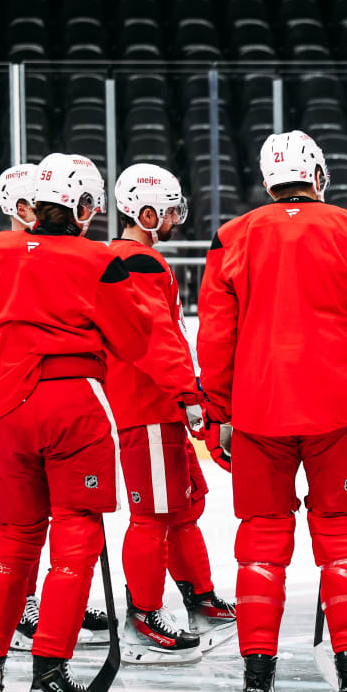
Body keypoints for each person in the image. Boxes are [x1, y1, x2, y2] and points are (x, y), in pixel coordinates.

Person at [198, 130, 347, 692]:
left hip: (257, 410)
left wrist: (218, 411)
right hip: (334, 409)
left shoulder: (229, 237)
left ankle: (256, 675)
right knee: (342, 538)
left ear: (268, 179)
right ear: (317, 176)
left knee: (261, 542)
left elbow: (215, 337)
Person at [0, 153, 155, 692]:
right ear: (84, 206)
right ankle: (49, 672)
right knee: (76, 538)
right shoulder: (96, 259)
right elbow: (135, 341)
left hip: (6, 405)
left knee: (14, 538)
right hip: (73, 405)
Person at [0, 164, 110, 652]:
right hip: (18, 396)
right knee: (28, 525)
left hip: (25, 398)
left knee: (44, 520)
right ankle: (26, 603)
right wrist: (23, 359)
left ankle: (51, 597)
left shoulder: (47, 255)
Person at [106, 163, 235, 664]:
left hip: (155, 403)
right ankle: (143, 614)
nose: (177, 219)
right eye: (171, 209)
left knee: (180, 510)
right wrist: (188, 395)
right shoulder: (137, 262)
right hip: (149, 405)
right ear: (146, 211)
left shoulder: (127, 259)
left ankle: (199, 598)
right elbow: (159, 337)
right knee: (154, 516)